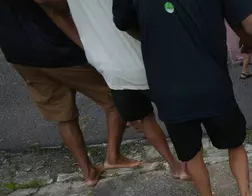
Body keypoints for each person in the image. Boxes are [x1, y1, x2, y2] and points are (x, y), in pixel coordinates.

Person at [114, 0, 252, 196]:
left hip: (170, 90)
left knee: (192, 154)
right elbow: (251, 27)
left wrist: (153, 35)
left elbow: (124, 23)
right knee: (235, 144)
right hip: (213, 85)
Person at [38, 0, 189, 181]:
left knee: (146, 119)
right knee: (179, 118)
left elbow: (53, 10)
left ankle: (175, 166)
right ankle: (191, 168)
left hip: (109, 66)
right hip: (142, 59)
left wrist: (86, 47)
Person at [0, 0, 140, 186]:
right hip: (57, 49)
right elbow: (54, 6)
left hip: (19, 54)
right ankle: (113, 157)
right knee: (116, 96)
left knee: (63, 115)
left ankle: (88, 173)